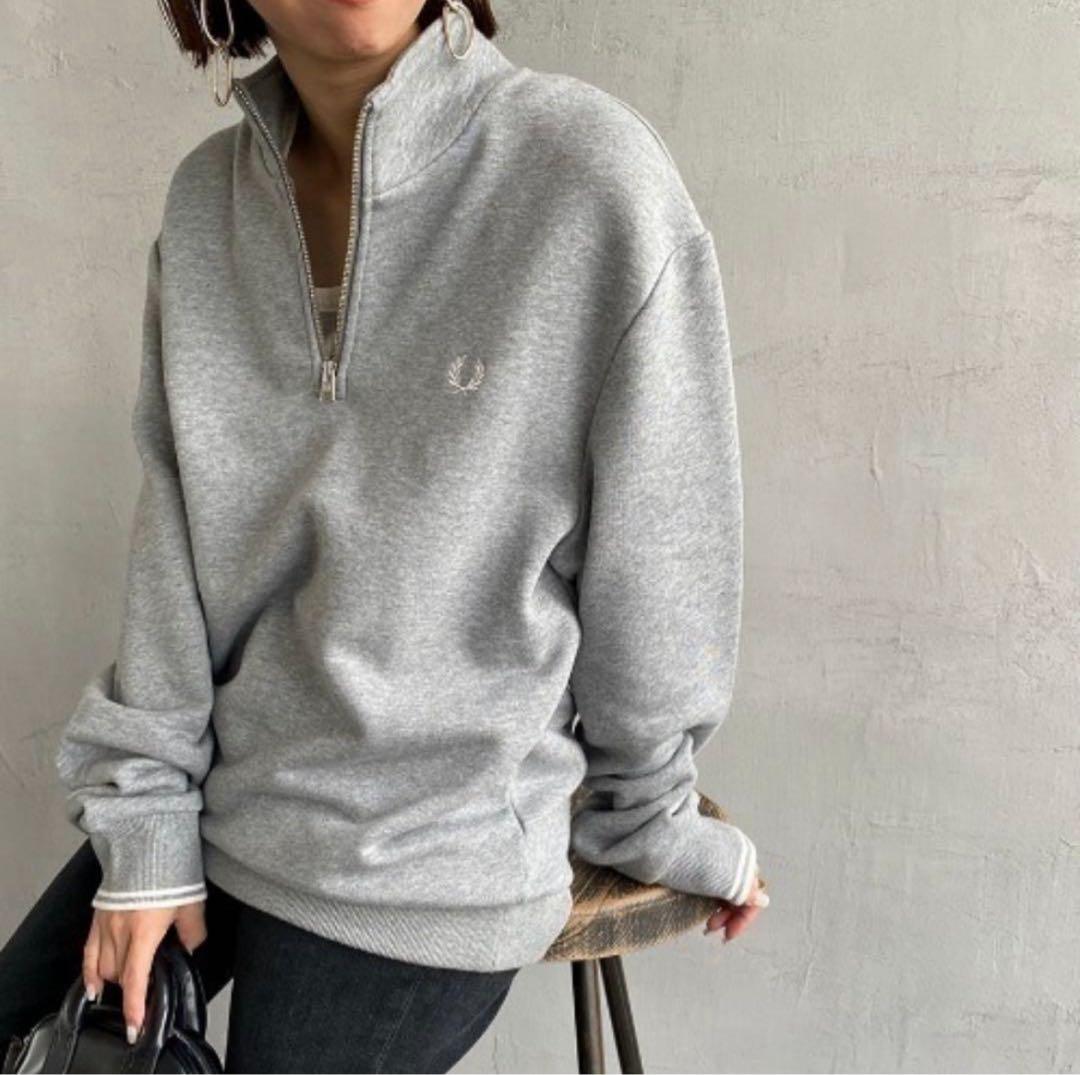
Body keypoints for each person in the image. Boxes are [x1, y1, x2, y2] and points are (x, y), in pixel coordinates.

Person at [1, 0, 768, 1070]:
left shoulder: (588, 174)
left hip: (434, 854)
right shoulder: (207, 206)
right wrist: (147, 832)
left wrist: (651, 815)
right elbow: (174, 550)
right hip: (232, 800)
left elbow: (663, 550)